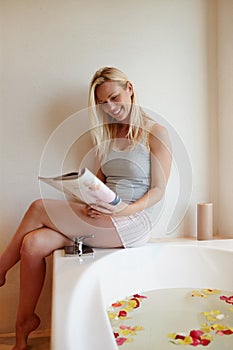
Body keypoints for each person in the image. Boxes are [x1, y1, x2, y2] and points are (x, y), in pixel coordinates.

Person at [0, 66, 172, 350]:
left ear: (130, 88)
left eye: (115, 97)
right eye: (103, 103)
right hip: (104, 217)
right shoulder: (106, 135)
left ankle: (1, 268)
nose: (111, 108)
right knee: (32, 244)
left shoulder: (156, 132)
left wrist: (122, 210)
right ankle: (24, 326)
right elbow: (96, 184)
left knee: (38, 207)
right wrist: (90, 202)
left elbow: (158, 191)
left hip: (134, 221)